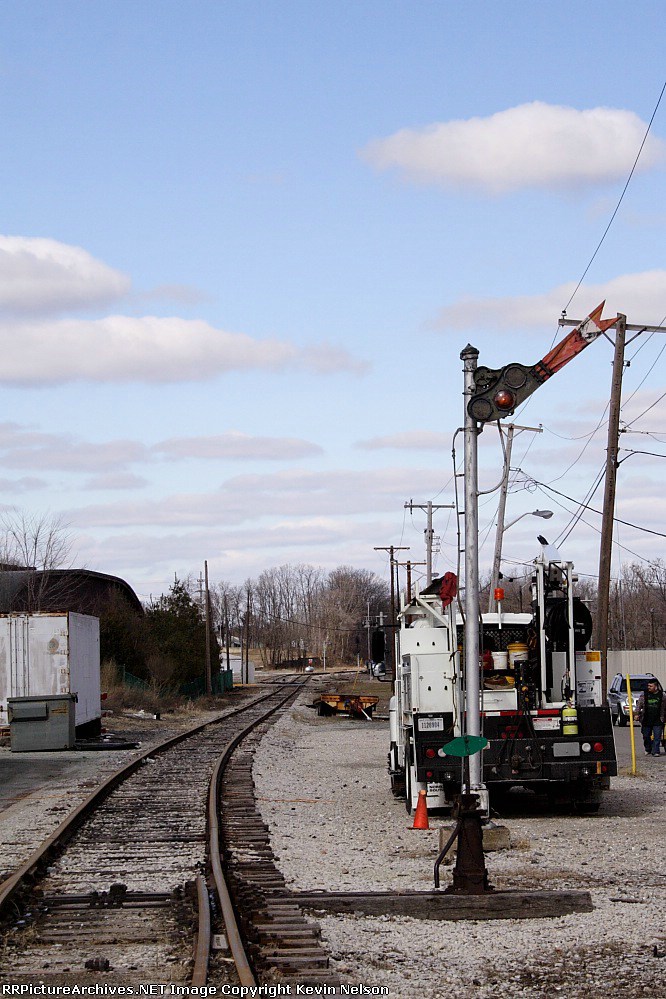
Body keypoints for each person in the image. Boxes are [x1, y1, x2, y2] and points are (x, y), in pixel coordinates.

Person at [635, 679, 666, 757]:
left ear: (656, 686)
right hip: (646, 719)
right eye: (648, 686)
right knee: (646, 735)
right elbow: (639, 705)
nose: (649, 687)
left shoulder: (662, 695)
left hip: (658, 719)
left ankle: (656, 751)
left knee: (657, 737)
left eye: (651, 686)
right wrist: (636, 714)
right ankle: (648, 748)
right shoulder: (644, 695)